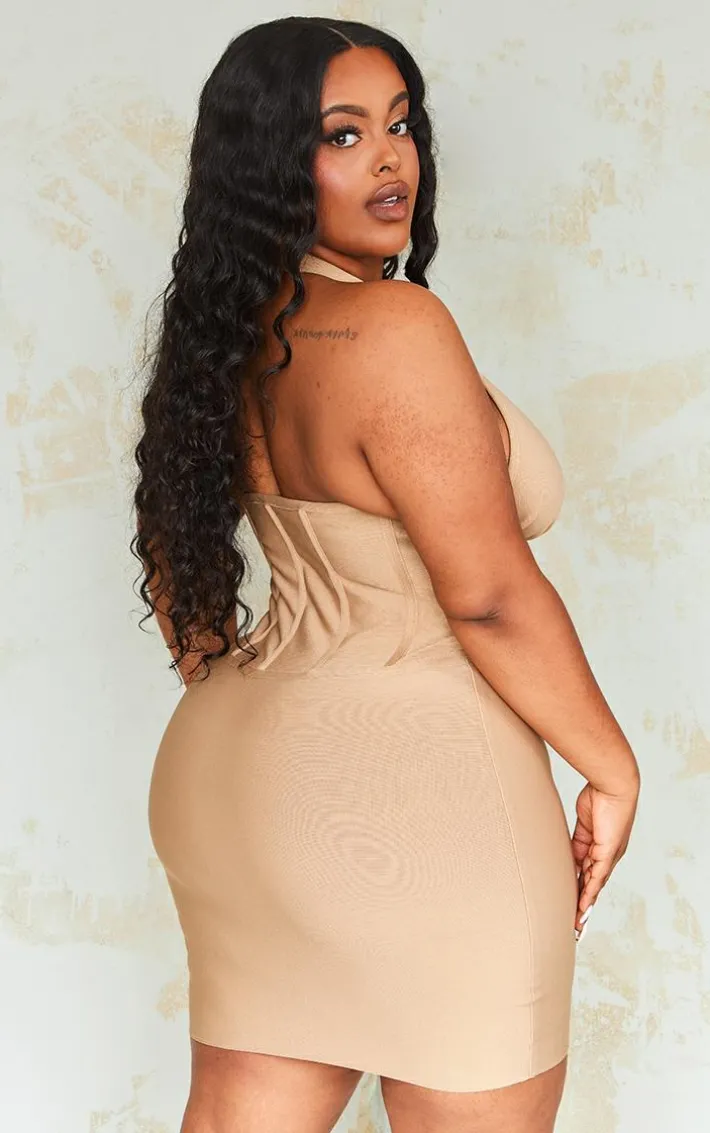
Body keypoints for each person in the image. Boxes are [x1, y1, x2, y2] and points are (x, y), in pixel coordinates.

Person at [131, 15, 641, 1133]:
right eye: (343, 134)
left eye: (400, 125)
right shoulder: (395, 327)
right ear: (273, 162)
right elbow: (487, 596)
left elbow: (180, 566)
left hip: (235, 783)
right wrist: (610, 767)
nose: (390, 160)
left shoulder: (223, 333)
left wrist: (279, 709)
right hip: (416, 789)